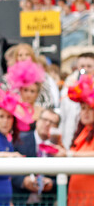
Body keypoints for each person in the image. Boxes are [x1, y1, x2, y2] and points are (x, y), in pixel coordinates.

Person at [12, 109, 64, 206]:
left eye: (52, 122)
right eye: (45, 119)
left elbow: (65, 176)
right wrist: (23, 181)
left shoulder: (58, 147)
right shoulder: (20, 140)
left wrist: (52, 184)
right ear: (37, 121)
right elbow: (9, 168)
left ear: (56, 128)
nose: (47, 124)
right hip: (20, 200)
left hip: (47, 201)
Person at [67, 74, 94, 203]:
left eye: (90, 109)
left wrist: (71, 155)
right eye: (83, 108)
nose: (86, 112)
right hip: (76, 196)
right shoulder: (82, 131)